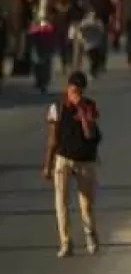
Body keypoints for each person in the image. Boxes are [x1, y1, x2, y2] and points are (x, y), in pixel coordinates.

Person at [43, 71, 102, 257]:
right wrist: (48, 164)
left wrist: (82, 110)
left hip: (85, 160)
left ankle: (90, 235)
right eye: (72, 88)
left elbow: (90, 134)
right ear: (67, 87)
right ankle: (66, 242)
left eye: (79, 89)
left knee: (86, 203)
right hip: (63, 159)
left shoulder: (89, 106)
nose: (75, 92)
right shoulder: (57, 108)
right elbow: (52, 139)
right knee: (61, 202)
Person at [72, 8, 109, 78]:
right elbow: (80, 30)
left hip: (97, 44)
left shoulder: (98, 22)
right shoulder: (85, 22)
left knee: (96, 59)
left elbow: (102, 31)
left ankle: (94, 72)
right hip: (89, 45)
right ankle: (92, 72)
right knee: (93, 59)